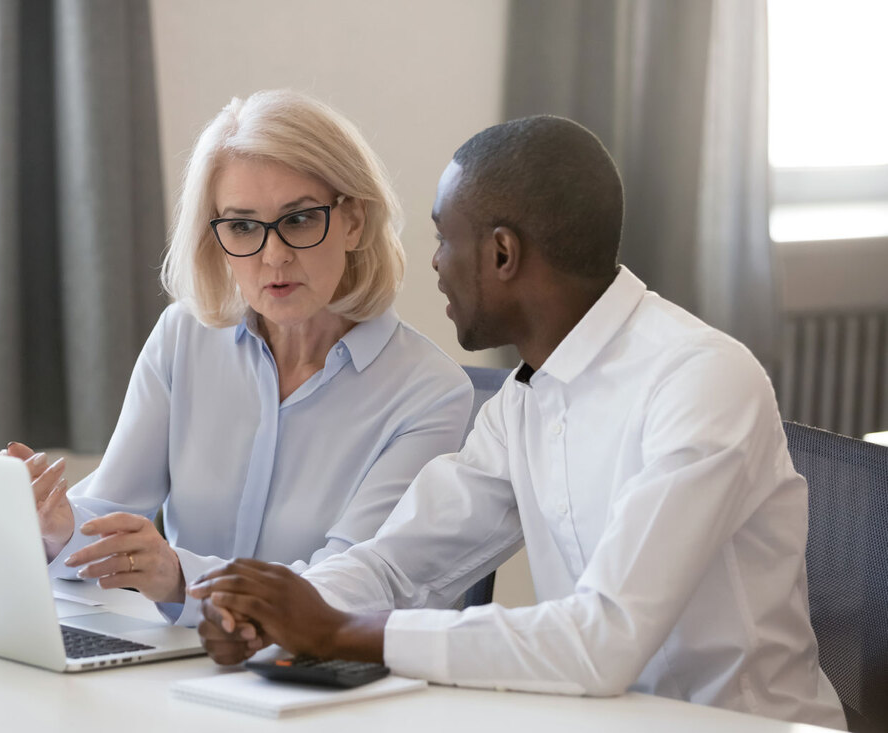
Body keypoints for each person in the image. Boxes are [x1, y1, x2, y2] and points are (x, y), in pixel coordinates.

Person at [189, 116, 847, 729]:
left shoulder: (699, 380)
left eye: (446, 237)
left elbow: (602, 640)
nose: (436, 263)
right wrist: (273, 613)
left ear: (502, 253)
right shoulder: (525, 397)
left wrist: (336, 631)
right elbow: (401, 562)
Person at [4, 89, 473, 627]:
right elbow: (114, 510)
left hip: (317, 682)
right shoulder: (184, 337)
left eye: (298, 220)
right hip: (177, 661)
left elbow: (351, 586)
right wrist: (58, 527)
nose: (273, 255)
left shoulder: (432, 393)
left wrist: (180, 577)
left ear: (353, 222)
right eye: (243, 226)